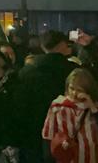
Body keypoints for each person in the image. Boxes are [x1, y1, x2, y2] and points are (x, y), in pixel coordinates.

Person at [17, 30, 78, 162]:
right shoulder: (72, 70)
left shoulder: (26, 71)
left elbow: (20, 103)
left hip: (32, 129)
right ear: (62, 44)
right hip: (65, 129)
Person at [42, 68, 98, 163]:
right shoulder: (58, 107)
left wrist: (92, 107)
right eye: (71, 88)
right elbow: (48, 135)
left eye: (79, 90)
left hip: (94, 158)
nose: (74, 93)